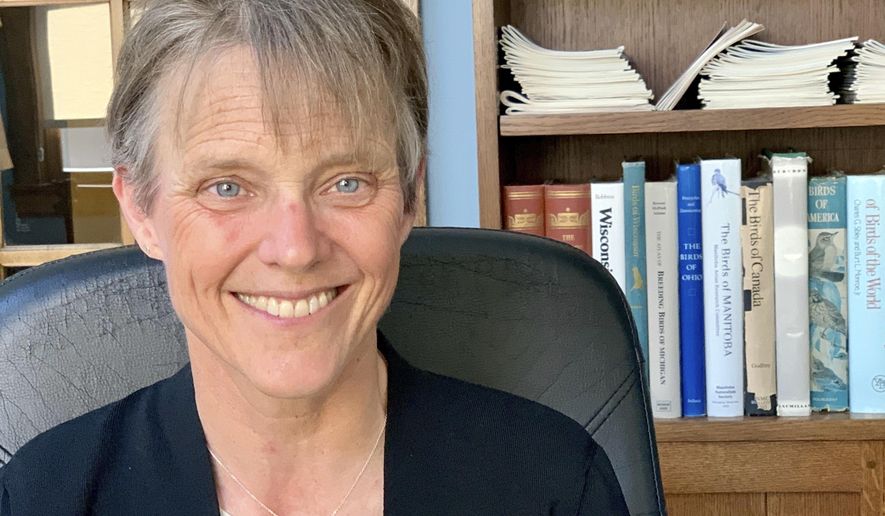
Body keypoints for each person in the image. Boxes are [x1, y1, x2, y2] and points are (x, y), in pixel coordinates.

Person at [0, 0, 629, 514]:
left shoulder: (553, 488)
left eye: (347, 182)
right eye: (227, 187)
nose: (295, 248)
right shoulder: (40, 498)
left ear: (410, 196)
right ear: (141, 209)